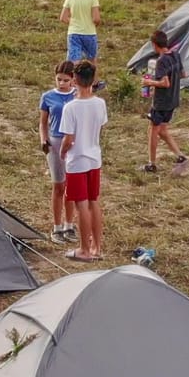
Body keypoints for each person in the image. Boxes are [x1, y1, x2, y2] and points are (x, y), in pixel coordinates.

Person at [56, 61, 108, 261]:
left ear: (75, 80)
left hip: (77, 160)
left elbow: (68, 139)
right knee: (94, 202)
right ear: (93, 80)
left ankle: (84, 249)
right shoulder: (100, 103)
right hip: (94, 158)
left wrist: (62, 152)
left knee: (81, 205)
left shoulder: (71, 108)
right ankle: (96, 246)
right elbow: (100, 128)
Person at [37, 61, 80, 243]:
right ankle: (56, 226)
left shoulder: (77, 96)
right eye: (59, 79)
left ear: (72, 80)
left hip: (72, 142)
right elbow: (43, 122)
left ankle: (69, 224)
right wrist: (43, 140)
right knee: (58, 186)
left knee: (71, 186)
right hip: (55, 141)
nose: (61, 83)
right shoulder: (47, 96)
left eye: (65, 80)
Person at [139, 29, 189, 174]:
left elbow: (165, 83)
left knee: (153, 130)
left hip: (161, 102)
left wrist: (149, 83)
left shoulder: (161, 61)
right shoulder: (176, 55)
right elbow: (183, 74)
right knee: (162, 130)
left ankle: (151, 164)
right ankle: (181, 157)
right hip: (173, 100)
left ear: (155, 45)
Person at [58, 0, 102, 69]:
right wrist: (96, 24)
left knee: (74, 60)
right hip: (89, 33)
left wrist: (73, 23)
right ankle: (93, 82)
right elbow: (96, 18)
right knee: (91, 60)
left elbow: (63, 18)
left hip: (74, 33)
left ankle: (73, 81)